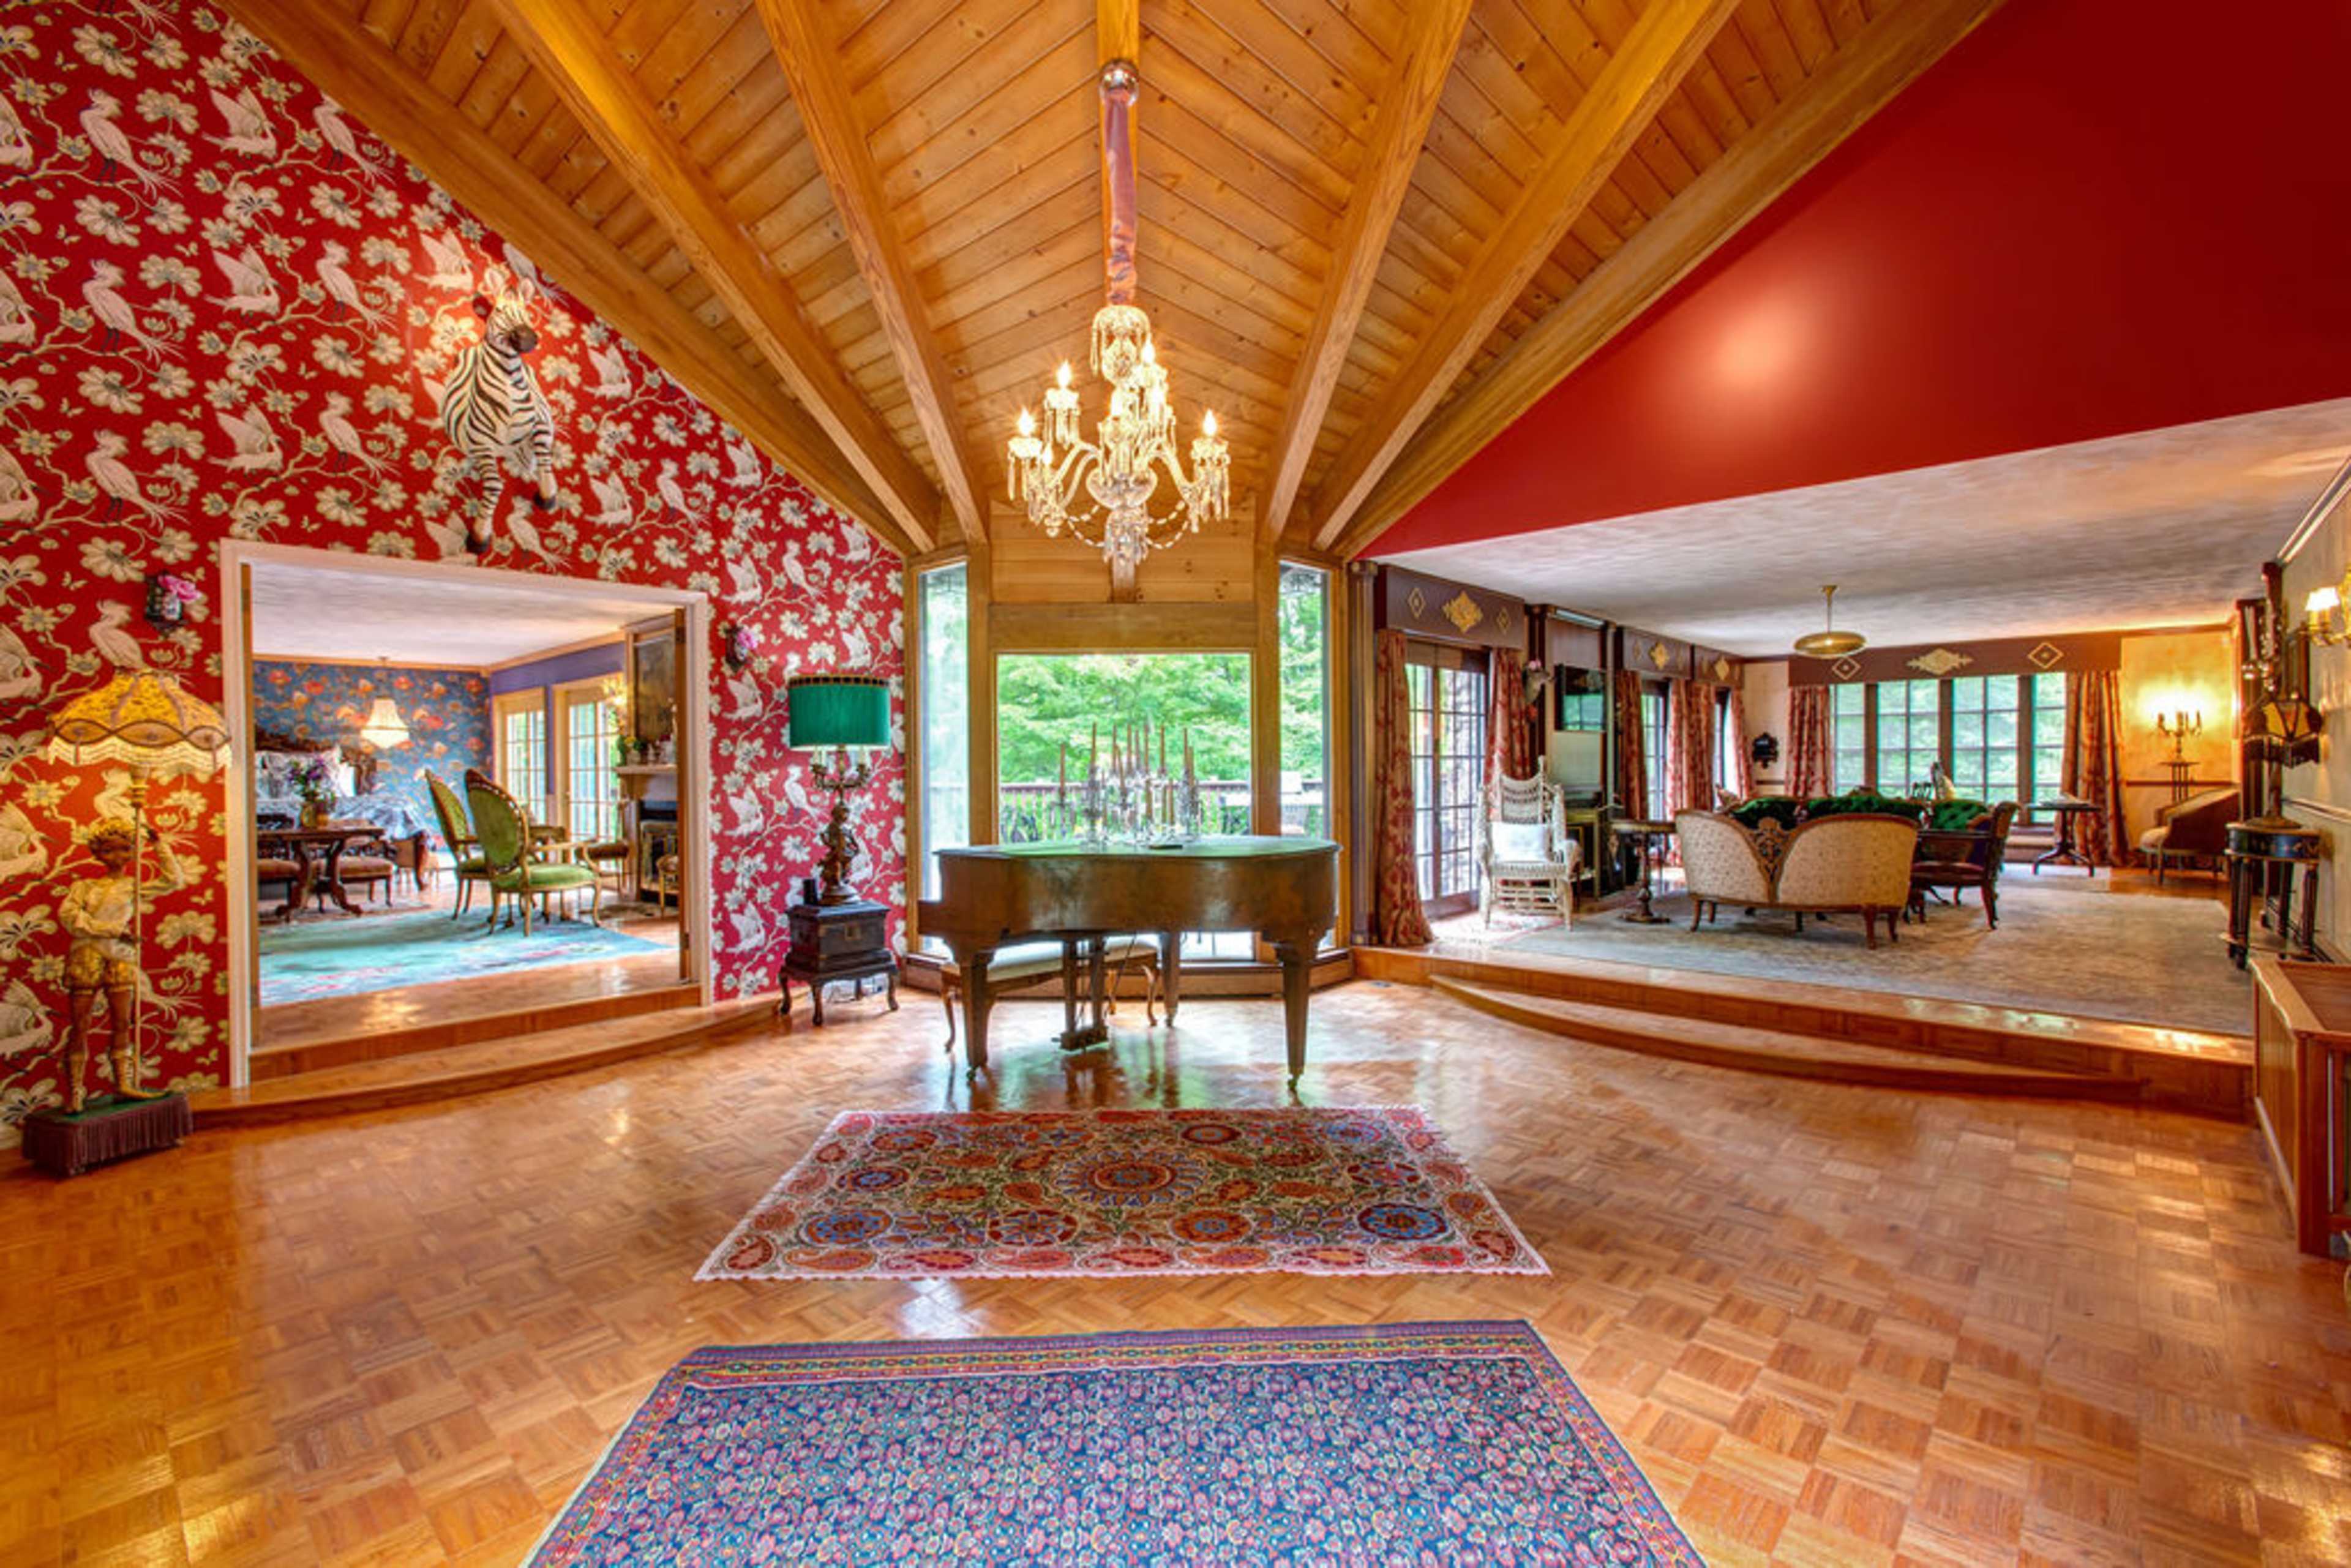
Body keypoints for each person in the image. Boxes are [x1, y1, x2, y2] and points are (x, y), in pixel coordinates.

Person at [57, 817, 188, 1111]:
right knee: (80, 1024)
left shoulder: (133, 886)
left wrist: (159, 845)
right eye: (109, 851)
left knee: (122, 1022)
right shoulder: (85, 887)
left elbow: (173, 881)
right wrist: (112, 930)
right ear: (98, 853)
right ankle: (75, 1091)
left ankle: (124, 1083)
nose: (117, 857)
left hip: (118, 956)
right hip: (87, 955)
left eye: (124, 850)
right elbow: (70, 918)